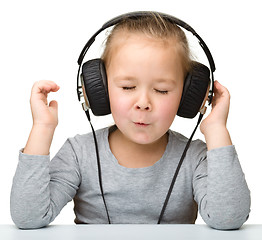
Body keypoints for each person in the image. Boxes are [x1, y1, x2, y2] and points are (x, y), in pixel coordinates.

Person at [10, 13, 250, 230]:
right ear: (98, 90)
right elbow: (29, 217)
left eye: (162, 90)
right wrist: (42, 128)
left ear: (190, 96)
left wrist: (217, 130)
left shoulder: (195, 157)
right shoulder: (79, 153)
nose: (143, 102)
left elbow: (228, 219)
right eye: (127, 87)